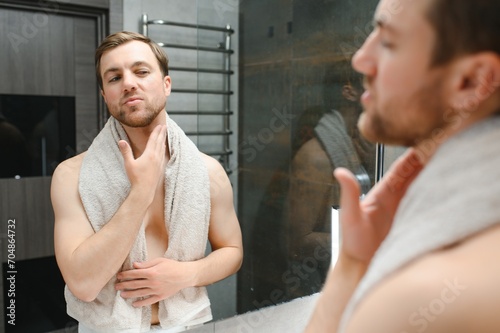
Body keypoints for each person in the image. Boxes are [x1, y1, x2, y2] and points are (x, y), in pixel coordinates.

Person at [306, 0, 500, 332]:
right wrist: (357, 256)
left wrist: (351, 268)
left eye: (389, 42)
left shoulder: (419, 299)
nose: (361, 59)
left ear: (471, 80)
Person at [51, 31, 243, 332]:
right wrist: (141, 191)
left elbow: (232, 251)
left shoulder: (208, 172)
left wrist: (185, 275)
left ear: (166, 85)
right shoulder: (70, 175)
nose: (128, 83)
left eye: (141, 71)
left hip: (185, 325)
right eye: (114, 78)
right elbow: (83, 285)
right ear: (105, 96)